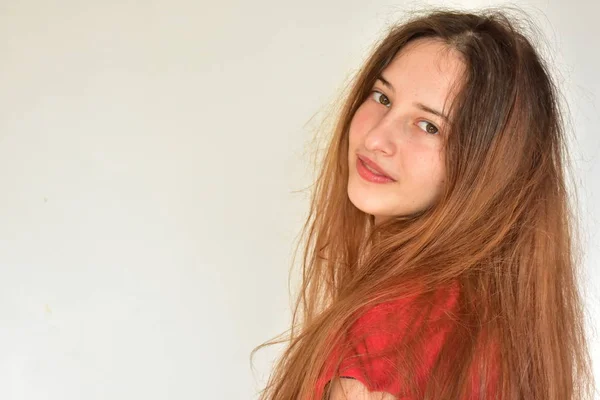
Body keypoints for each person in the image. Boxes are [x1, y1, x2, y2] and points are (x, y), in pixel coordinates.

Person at [251, 8, 594, 400]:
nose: (377, 137)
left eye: (429, 125)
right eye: (382, 97)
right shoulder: (492, 322)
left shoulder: (393, 330)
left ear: (488, 168)